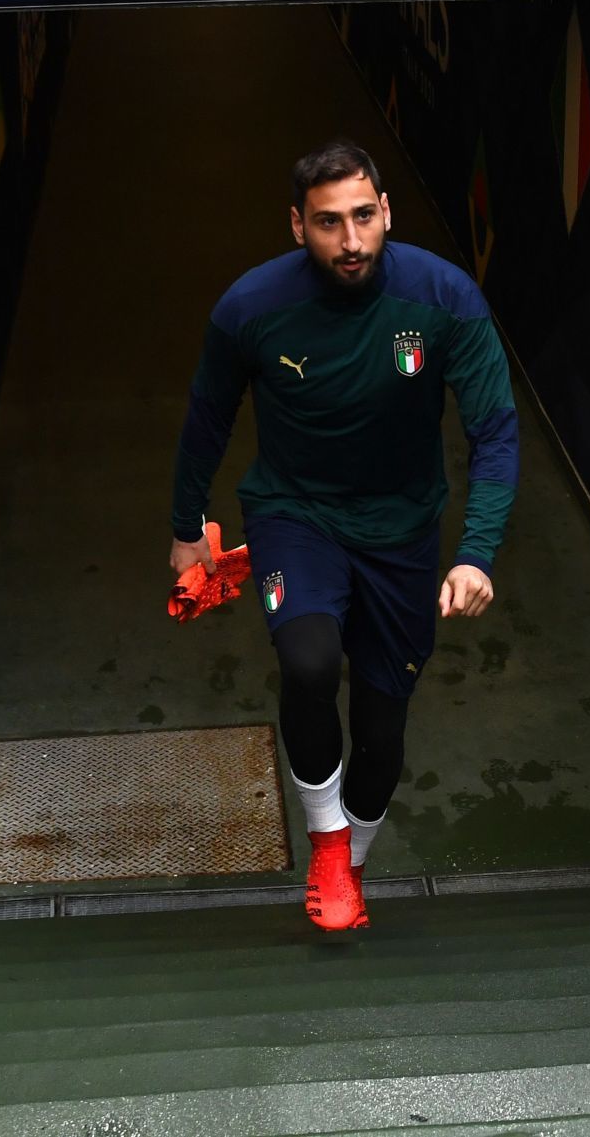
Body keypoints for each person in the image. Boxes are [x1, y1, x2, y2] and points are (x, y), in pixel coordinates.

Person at [170, 138, 519, 930]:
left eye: (364, 216)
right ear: (298, 226)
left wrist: (475, 551)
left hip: (401, 532)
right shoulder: (251, 308)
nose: (351, 239)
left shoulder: (445, 298)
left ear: (387, 210)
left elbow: (495, 428)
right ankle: (327, 844)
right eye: (329, 222)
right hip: (297, 513)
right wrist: (187, 526)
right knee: (309, 657)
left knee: (382, 728)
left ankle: (350, 863)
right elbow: (207, 417)